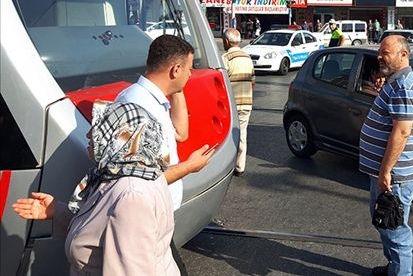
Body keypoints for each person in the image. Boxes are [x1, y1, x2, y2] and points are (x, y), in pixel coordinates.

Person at [13, 101, 181, 275]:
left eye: (99, 128)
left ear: (123, 137)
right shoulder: (136, 171)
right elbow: (101, 228)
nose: (89, 134)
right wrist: (59, 210)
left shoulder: (131, 196)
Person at [115, 35, 214, 274]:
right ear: (175, 69)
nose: (191, 75)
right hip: (142, 217)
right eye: (188, 70)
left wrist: (175, 88)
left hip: (157, 214)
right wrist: (191, 167)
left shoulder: (154, 100)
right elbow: (133, 182)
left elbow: (181, 132)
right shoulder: (135, 106)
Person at [359, 35, 413, 276]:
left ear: (403, 55)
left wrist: (386, 171)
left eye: (385, 52)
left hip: (395, 176)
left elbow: (402, 132)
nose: (379, 56)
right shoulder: (396, 82)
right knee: (385, 222)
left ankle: (400, 273)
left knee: (395, 228)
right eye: (380, 51)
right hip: (387, 173)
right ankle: (393, 268)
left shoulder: (404, 86)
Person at [222, 28, 255, 177]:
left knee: (226, 135)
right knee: (242, 134)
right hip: (246, 102)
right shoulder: (247, 57)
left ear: (226, 41)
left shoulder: (225, 58)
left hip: (230, 104)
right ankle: (240, 167)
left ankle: (224, 165)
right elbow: (253, 82)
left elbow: (222, 83)